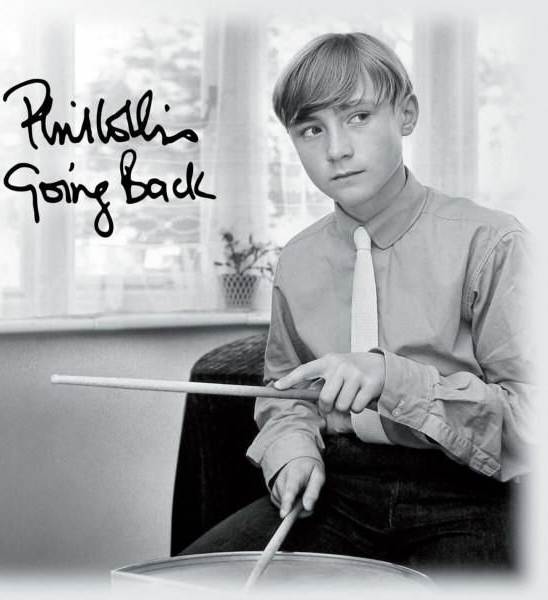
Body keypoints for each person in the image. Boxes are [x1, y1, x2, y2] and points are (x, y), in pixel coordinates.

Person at [181, 32, 535, 577]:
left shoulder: (492, 243)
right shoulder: (297, 260)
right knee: (187, 580)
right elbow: (284, 395)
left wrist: (391, 379)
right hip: (341, 486)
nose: (337, 150)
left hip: (469, 490)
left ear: (406, 114)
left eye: (359, 117)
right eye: (311, 129)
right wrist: (292, 449)